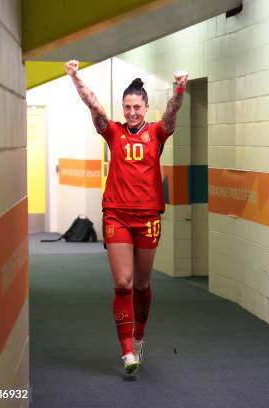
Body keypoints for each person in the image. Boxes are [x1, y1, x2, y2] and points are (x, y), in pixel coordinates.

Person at [64, 59, 188, 375]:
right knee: (123, 283)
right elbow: (93, 105)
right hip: (116, 214)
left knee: (143, 284)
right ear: (123, 108)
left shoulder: (158, 133)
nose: (131, 112)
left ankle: (139, 336)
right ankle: (127, 352)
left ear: (146, 108)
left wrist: (179, 88)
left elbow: (173, 111)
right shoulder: (114, 133)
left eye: (136, 107)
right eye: (127, 106)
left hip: (148, 216)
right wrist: (75, 77)